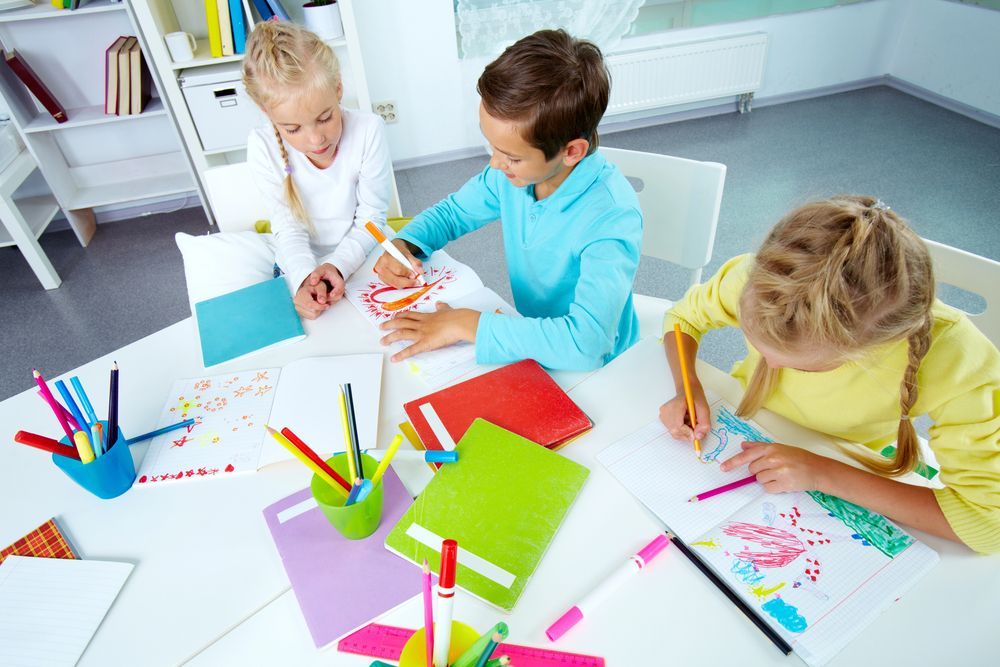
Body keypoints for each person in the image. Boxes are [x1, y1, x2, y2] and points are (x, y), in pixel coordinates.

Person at [660, 196, 1000, 553]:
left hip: (849, 459)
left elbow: (988, 526)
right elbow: (684, 318)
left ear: (869, 351)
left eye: (800, 366)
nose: (769, 365)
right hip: (753, 424)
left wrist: (821, 473)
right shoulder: (764, 279)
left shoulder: (959, 360)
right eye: (757, 344)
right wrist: (687, 385)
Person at [375, 29, 642, 371]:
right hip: (530, 339)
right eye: (492, 147)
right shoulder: (513, 176)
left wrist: (468, 324)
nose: (495, 164)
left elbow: (586, 345)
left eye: (511, 157)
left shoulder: (612, 217)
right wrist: (407, 243)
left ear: (572, 152)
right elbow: (453, 213)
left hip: (600, 370)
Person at [243, 21, 392, 319]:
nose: (316, 140)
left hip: (361, 251)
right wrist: (305, 279)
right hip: (298, 262)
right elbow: (288, 227)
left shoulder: (368, 130)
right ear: (266, 112)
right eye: (293, 129)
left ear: (338, 89)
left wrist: (337, 265)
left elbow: (372, 218)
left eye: (324, 119)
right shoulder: (262, 146)